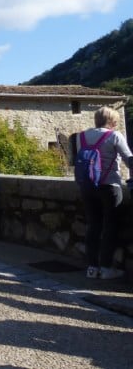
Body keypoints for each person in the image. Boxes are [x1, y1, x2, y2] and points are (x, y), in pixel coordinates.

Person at [76, 106, 132, 280]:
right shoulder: (114, 135)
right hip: (109, 186)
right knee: (110, 226)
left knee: (93, 225)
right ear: (113, 121)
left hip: (87, 186)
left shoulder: (81, 136)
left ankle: (92, 268)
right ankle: (106, 268)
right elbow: (129, 159)